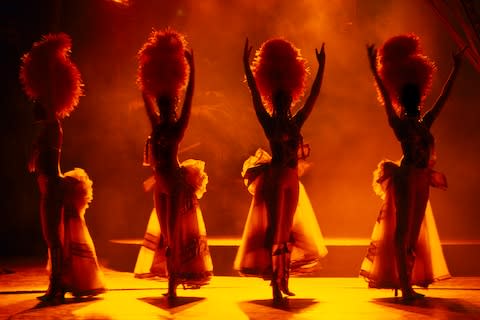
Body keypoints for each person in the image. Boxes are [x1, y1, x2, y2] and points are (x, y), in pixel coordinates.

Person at [360, 34, 463, 300]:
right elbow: (384, 93)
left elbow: (442, 99)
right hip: (406, 177)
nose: (414, 103)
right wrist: (374, 69)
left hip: (421, 178)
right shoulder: (399, 124)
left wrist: (455, 70)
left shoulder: (424, 122)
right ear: (402, 101)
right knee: (403, 229)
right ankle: (404, 286)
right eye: (409, 99)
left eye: (416, 99)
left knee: (414, 232)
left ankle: (406, 281)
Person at [234, 38, 328, 303]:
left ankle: (284, 280)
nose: (286, 102)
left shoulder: (297, 121)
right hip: (276, 178)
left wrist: (321, 67)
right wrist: (245, 65)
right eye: (280, 99)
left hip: (292, 179)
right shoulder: (268, 122)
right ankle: (275, 283)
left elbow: (313, 97)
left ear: (291, 96)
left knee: (286, 231)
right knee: (276, 230)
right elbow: (254, 93)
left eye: (288, 98)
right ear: (274, 100)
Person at [20, 33, 105, 303]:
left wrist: (50, 68)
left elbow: (52, 97)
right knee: (51, 240)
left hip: (54, 189)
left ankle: (57, 287)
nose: (34, 104)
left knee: (55, 241)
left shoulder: (53, 124)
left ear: (48, 104)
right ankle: (57, 284)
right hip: (48, 189)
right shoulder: (44, 128)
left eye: (39, 102)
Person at [133, 29, 213, 299]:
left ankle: (172, 285)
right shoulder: (156, 126)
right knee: (166, 238)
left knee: (173, 239)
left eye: (169, 105)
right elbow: (145, 97)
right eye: (162, 104)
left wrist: (193, 69)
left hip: (176, 184)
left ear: (174, 106)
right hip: (161, 185)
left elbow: (190, 99)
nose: (166, 108)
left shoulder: (178, 126)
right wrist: (144, 71)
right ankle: (172, 279)